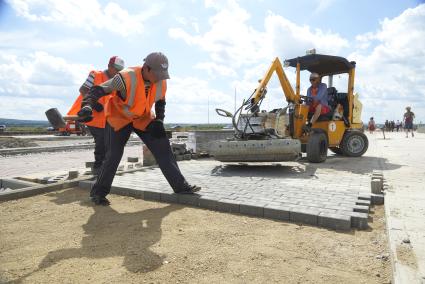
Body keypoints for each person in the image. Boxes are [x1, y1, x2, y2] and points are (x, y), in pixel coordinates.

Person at [77, 52, 201, 206]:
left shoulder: (161, 81)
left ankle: (181, 187)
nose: (160, 78)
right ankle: (98, 193)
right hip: (119, 117)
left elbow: (161, 101)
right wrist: (87, 105)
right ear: (146, 68)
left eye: (163, 74)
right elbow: (98, 90)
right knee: (113, 155)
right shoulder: (125, 77)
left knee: (163, 146)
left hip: (142, 118)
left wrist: (159, 120)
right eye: (157, 74)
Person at [68, 56, 125, 175]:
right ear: (109, 66)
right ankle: (98, 167)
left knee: (108, 142)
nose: (118, 72)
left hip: (108, 118)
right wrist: (94, 104)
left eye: (120, 69)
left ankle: (103, 166)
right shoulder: (95, 75)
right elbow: (83, 90)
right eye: (116, 69)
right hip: (92, 116)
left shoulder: (118, 80)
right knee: (101, 141)